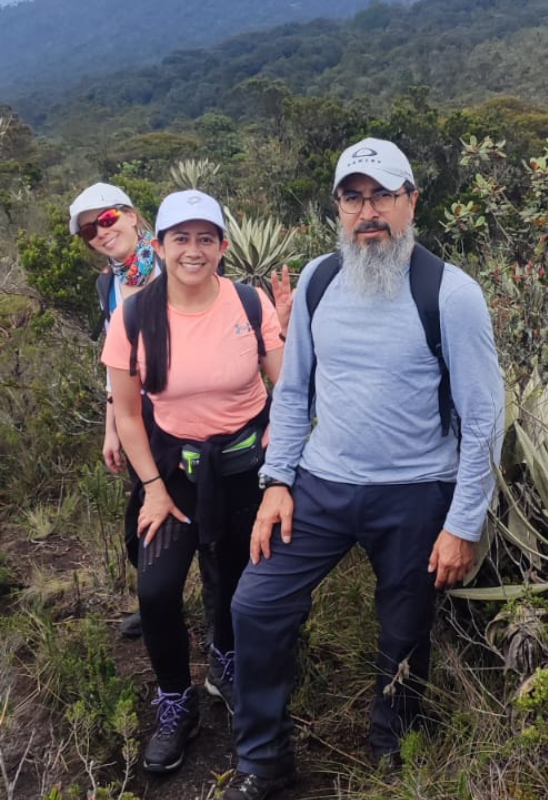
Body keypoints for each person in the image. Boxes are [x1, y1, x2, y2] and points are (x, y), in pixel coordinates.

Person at [224, 138, 504, 799]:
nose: (368, 210)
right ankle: (263, 758)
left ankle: (392, 749)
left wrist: (462, 524)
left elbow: (483, 420)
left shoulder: (451, 294)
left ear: (412, 201)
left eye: (382, 195)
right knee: (255, 605)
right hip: (321, 486)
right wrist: (278, 483)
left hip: (414, 493)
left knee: (403, 632)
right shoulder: (320, 281)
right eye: (353, 197)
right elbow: (292, 395)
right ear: (338, 208)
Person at [101, 189, 286, 774]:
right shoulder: (133, 316)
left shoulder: (251, 305)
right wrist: (152, 487)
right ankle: (175, 697)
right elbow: (129, 413)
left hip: (242, 470)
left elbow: (288, 387)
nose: (193, 250)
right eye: (181, 237)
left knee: (234, 583)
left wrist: (279, 456)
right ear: (159, 245)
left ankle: (225, 663)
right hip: (172, 475)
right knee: (155, 591)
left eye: (207, 238)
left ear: (224, 246)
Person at [70, 182, 162, 638]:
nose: (101, 234)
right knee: (142, 516)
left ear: (130, 215)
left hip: (189, 411)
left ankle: (219, 623)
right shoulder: (109, 283)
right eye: (89, 231)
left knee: (207, 521)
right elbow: (115, 364)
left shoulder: (174, 263)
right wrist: (112, 428)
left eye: (106, 220)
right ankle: (158, 601)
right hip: (135, 414)